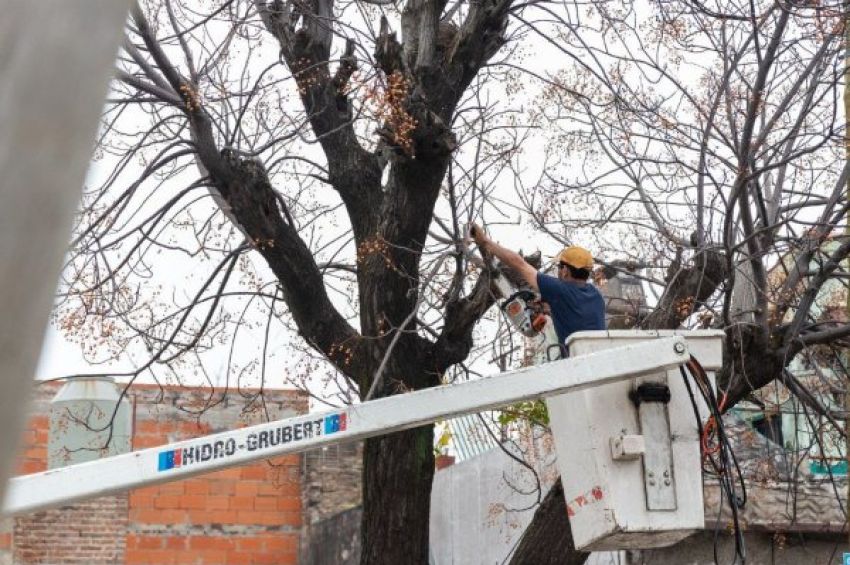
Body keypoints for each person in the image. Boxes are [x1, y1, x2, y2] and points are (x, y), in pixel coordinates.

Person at [470, 224, 606, 350]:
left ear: (565, 271)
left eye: (559, 267)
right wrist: (549, 306)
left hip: (575, 363)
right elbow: (578, 315)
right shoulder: (596, 295)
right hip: (598, 358)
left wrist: (484, 241)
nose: (558, 271)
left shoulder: (559, 290)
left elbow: (519, 264)